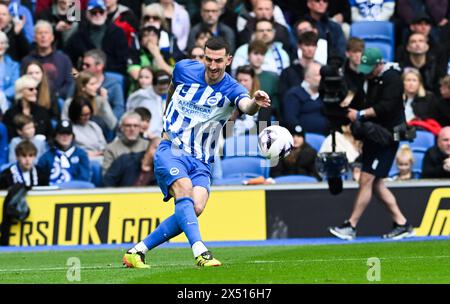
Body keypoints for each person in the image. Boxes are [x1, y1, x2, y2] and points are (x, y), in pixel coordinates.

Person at [122, 36, 271, 268]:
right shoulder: (183, 68)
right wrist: (165, 120)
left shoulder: (233, 88)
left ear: (228, 60)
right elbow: (172, 87)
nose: (212, 65)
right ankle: (200, 252)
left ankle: (137, 251)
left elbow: (245, 106)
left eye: (218, 61)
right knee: (184, 189)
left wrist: (255, 101)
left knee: (196, 207)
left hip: (202, 159)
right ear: (203, 55)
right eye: (208, 59)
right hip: (171, 148)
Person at [328, 48, 415, 240]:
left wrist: (359, 114)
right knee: (375, 184)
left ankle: (351, 225)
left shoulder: (392, 78)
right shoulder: (368, 79)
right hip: (374, 136)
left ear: (379, 64)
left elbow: (386, 106)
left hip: (387, 137)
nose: (366, 72)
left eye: (370, 68)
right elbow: (358, 98)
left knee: (366, 179)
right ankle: (402, 224)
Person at [64, 0, 129, 75]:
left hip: (110, 76)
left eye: (101, 11)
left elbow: (122, 61)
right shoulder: (78, 35)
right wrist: (76, 76)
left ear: (106, 13)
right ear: (87, 14)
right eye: (93, 12)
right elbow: (67, 60)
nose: (98, 14)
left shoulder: (117, 33)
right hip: (85, 77)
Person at [21, 20, 75, 101]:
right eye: (40, 33)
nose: (43, 36)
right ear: (34, 38)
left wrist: (56, 95)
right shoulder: (27, 60)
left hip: (58, 99)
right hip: (34, 99)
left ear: (52, 37)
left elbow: (71, 82)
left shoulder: (64, 59)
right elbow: (23, 83)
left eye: (46, 33)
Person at [282, 61, 329, 135]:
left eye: (322, 75)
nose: (321, 78)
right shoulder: (294, 94)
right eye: (317, 75)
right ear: (307, 77)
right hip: (302, 139)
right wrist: (300, 133)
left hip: (326, 137)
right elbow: (290, 119)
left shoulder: (325, 94)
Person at [37, 119, 91, 185]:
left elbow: (84, 179)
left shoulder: (81, 155)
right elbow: (40, 180)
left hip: (76, 192)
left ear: (72, 136)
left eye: (68, 133)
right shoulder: (46, 157)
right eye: (62, 133)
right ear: (55, 136)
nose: (65, 136)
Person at [3, 75, 53, 140]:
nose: (35, 92)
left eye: (36, 89)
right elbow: (9, 137)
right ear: (20, 91)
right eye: (31, 89)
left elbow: (50, 135)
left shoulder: (42, 111)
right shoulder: (10, 114)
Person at [80, 48, 124, 120]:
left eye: (87, 65)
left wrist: (109, 121)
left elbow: (119, 108)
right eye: (83, 64)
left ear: (99, 66)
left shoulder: (114, 84)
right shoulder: (79, 81)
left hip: (106, 123)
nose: (83, 67)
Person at [102, 111, 149, 175]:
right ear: (121, 128)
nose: (132, 129)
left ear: (140, 128)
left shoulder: (149, 146)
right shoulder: (111, 149)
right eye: (128, 125)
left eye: (135, 126)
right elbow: (107, 176)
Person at [0, 31, 19, 104]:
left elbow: (15, 85)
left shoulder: (14, 65)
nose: (0, 46)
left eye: (2, 43)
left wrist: (2, 95)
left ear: (6, 45)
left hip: (6, 102)